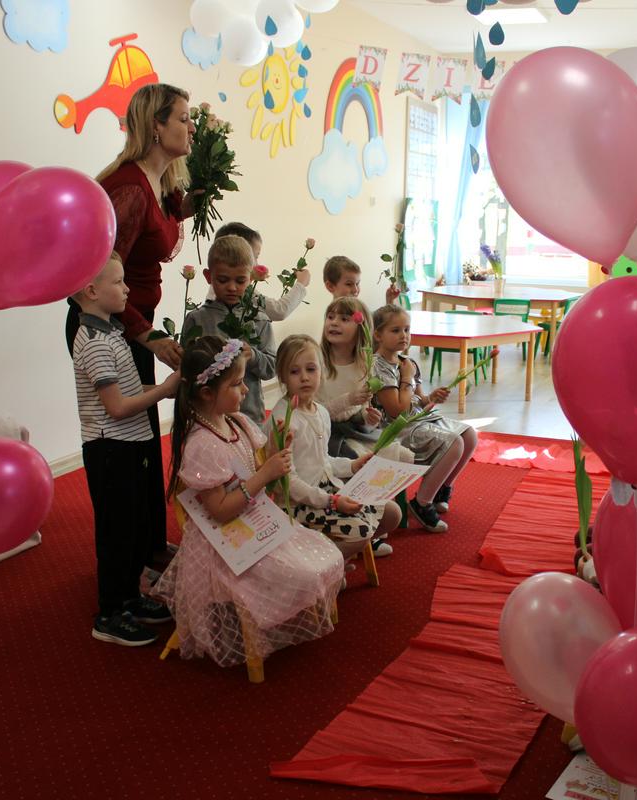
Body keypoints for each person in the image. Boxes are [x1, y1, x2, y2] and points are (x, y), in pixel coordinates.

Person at [151, 336, 344, 669]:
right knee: (304, 574)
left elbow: (254, 466)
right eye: (237, 384)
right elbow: (219, 511)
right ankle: (264, 618)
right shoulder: (202, 444)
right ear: (207, 393)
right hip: (224, 540)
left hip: (255, 518)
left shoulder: (237, 422)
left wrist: (277, 448)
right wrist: (265, 474)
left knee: (326, 557)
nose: (245, 391)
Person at [65, 83, 194, 567]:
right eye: (183, 118)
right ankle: (128, 565)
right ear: (156, 126)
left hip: (133, 325)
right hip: (111, 327)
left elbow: (163, 227)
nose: (191, 128)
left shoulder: (159, 184)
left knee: (143, 441)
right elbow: (101, 277)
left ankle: (149, 547)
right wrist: (149, 337)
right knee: (125, 447)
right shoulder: (129, 188)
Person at [71, 254, 179, 647]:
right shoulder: (95, 343)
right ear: (92, 291)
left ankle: (130, 597)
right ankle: (110, 613)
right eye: (118, 282)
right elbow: (116, 408)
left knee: (133, 526)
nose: (128, 289)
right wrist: (163, 391)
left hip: (127, 444)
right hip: (110, 450)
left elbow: (128, 392)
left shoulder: (112, 333)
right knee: (117, 533)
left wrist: (165, 388)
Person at [264, 335, 402, 561]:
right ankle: (328, 567)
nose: (304, 377)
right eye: (294, 371)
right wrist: (332, 501)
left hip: (328, 490)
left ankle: (339, 555)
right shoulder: (283, 421)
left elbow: (323, 461)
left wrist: (352, 465)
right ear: (282, 376)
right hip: (299, 504)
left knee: (392, 514)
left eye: (311, 369)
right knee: (361, 533)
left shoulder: (320, 412)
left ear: (322, 371)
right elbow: (287, 484)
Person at [370, 304, 478, 533]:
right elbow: (397, 412)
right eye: (396, 330)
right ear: (378, 335)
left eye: (407, 330)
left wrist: (432, 397)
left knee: (469, 435)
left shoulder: (407, 362)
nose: (404, 335)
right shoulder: (377, 366)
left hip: (418, 420)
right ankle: (422, 502)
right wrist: (406, 378)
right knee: (454, 443)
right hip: (395, 428)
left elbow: (419, 401)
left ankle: (441, 489)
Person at [182, 235, 276, 421]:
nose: (232, 287)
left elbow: (271, 367)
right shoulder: (196, 319)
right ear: (208, 276)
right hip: (207, 416)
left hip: (249, 415)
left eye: (240, 281)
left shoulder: (260, 320)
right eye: (223, 280)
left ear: (251, 278)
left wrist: (253, 355)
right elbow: (185, 368)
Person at [317, 296, 411, 462]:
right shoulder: (316, 363)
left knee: (405, 456)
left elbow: (359, 410)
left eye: (344, 319)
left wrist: (368, 417)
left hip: (354, 431)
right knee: (365, 461)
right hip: (324, 433)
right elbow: (311, 414)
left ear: (361, 328)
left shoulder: (364, 365)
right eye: (330, 317)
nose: (334, 323)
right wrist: (348, 400)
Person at [206, 221, 310, 322]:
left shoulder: (218, 287)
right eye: (255, 257)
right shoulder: (240, 291)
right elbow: (279, 311)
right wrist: (301, 284)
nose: (257, 264)